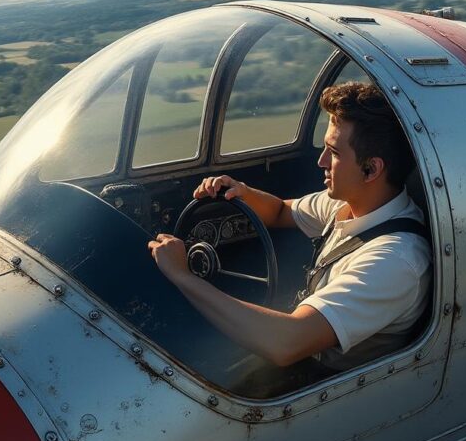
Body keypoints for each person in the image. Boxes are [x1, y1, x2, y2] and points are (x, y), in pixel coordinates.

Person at [148, 82, 431, 383]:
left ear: (371, 170)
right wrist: (239, 191)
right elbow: (282, 212)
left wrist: (181, 276)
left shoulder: (395, 261)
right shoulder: (351, 204)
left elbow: (285, 344)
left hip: (327, 383)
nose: (320, 161)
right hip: (306, 361)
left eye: (333, 153)